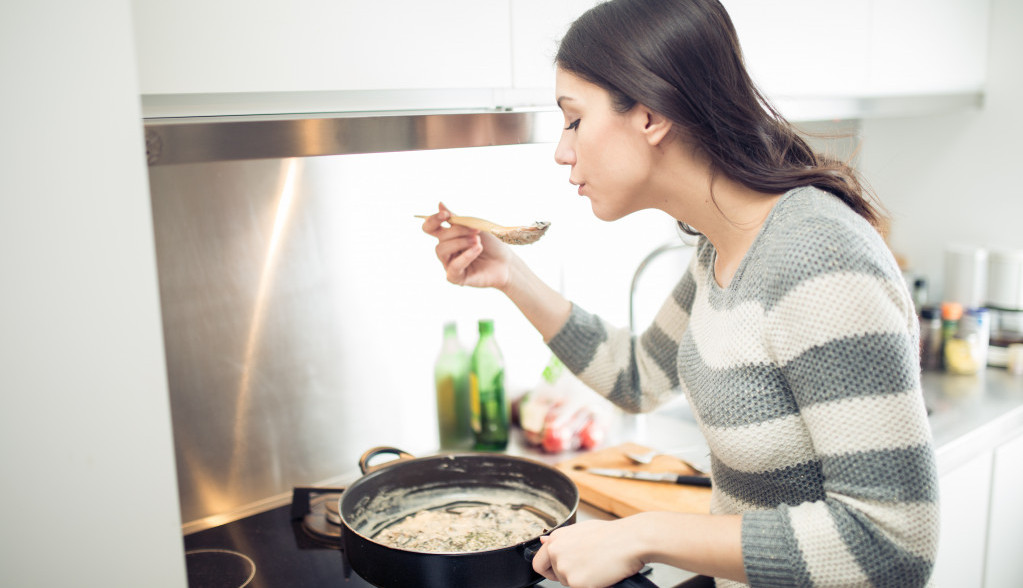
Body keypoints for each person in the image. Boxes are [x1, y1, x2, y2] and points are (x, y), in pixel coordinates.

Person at [420, 0, 939, 586]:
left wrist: (642, 534)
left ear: (649, 117)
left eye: (573, 119)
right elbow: (638, 375)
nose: (562, 151)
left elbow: (891, 547)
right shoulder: (723, 245)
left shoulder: (818, 255)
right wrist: (512, 274)